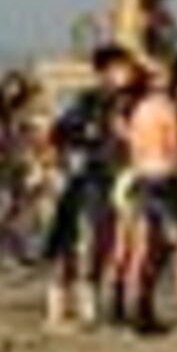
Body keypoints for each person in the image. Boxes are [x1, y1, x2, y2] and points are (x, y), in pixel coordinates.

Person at [42, 47, 132, 332]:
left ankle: (88, 305)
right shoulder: (85, 101)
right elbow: (55, 134)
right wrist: (61, 164)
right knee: (67, 243)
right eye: (121, 67)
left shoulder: (123, 103)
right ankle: (58, 309)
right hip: (77, 180)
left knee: (100, 241)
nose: (126, 73)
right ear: (105, 72)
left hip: (104, 180)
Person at [113, 54, 177, 337]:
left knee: (144, 247)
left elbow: (134, 150)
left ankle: (137, 311)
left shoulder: (139, 110)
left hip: (143, 177)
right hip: (167, 176)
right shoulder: (168, 109)